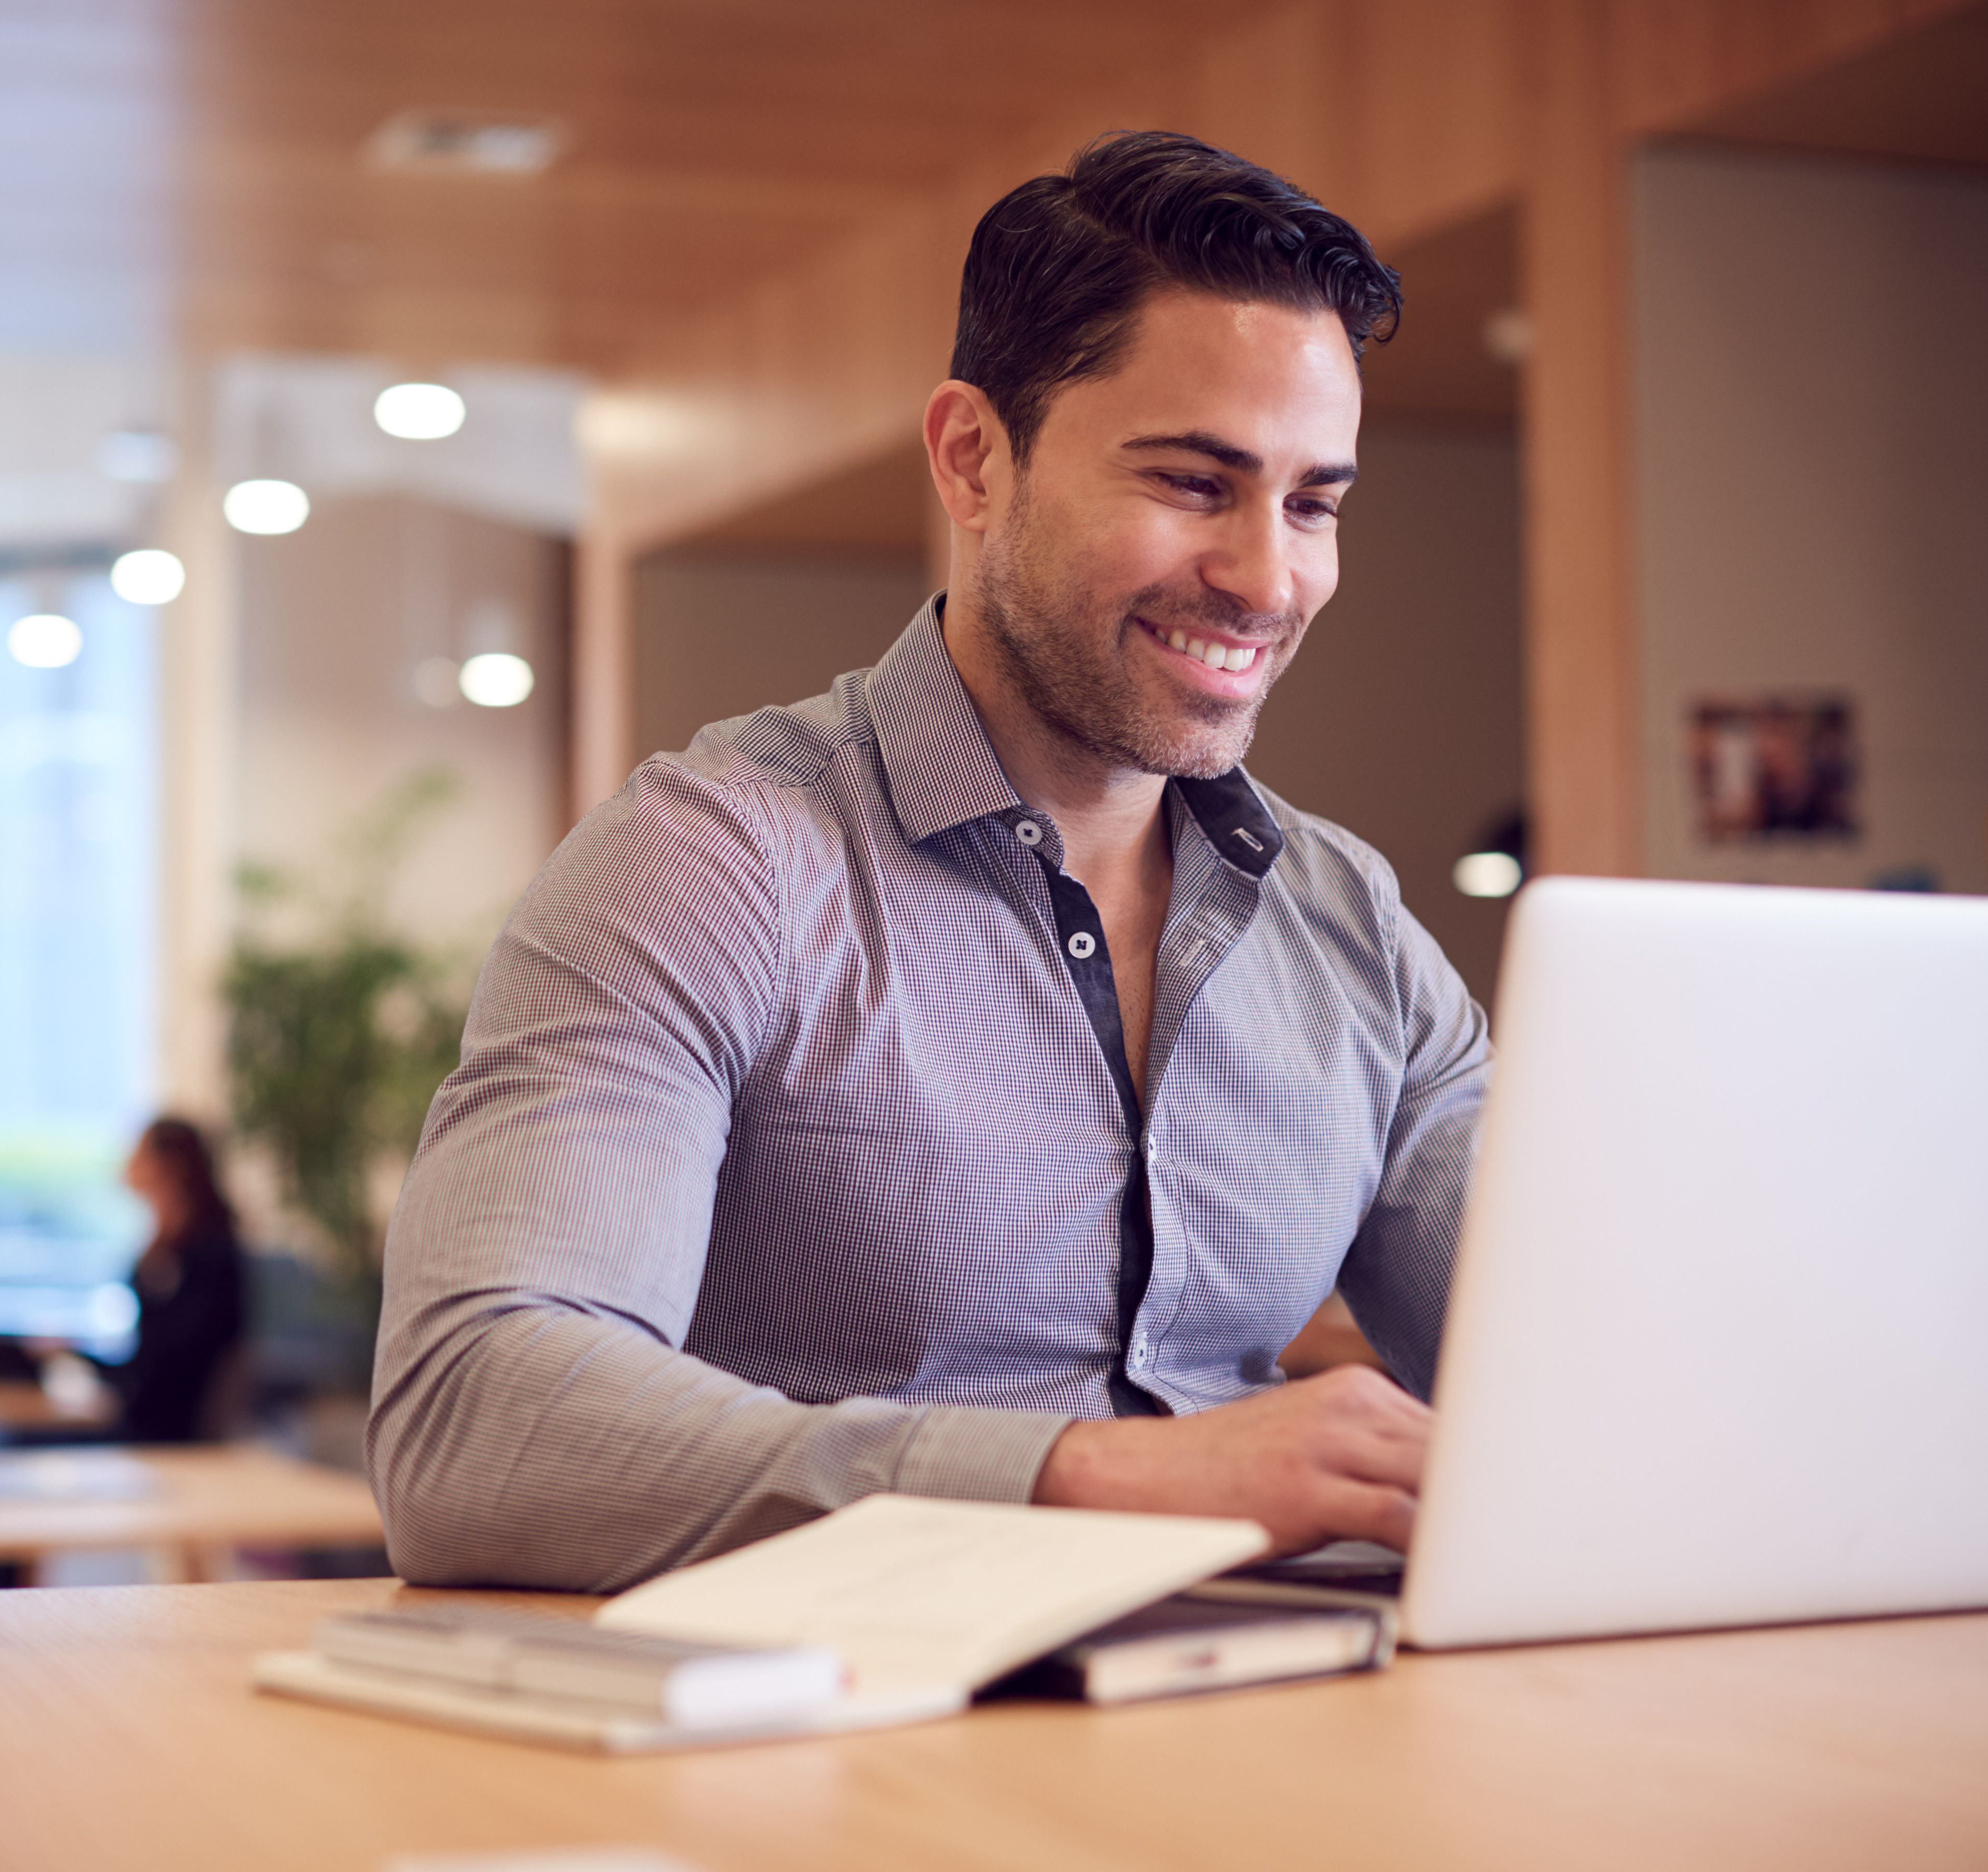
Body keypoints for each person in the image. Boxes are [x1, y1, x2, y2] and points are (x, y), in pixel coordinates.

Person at [369, 132, 1484, 1591]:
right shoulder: (713, 864)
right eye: (1194, 482)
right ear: (974, 456)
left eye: (1312, 504)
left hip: (1261, 1732)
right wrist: (1087, 1482)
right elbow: (475, 1427)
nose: (1269, 578)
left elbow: (1586, 1378)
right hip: (840, 1764)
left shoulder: (1355, 930)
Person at [101, 1117, 247, 1443]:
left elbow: (174, 1364)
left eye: (140, 1153)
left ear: (172, 1165)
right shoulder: (167, 1246)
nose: (130, 1164)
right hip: (143, 1418)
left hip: (167, 1433)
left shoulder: (211, 1255)